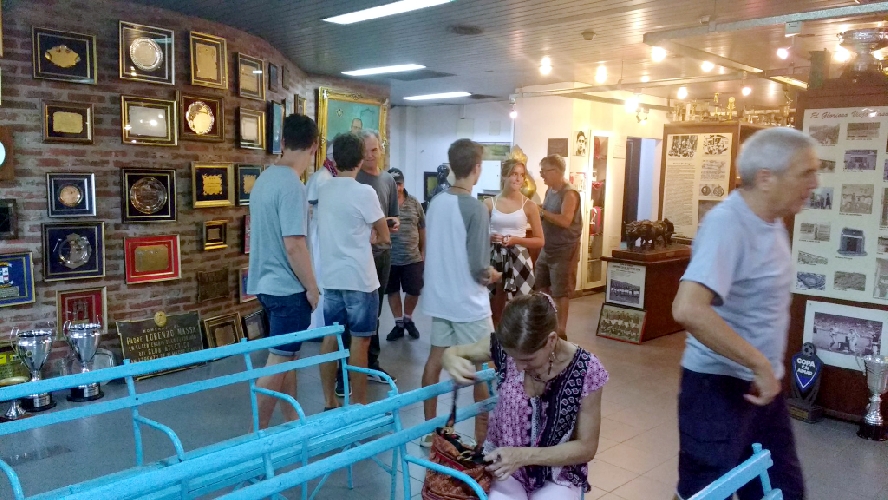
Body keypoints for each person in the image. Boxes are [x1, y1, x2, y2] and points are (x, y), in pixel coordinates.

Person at [671, 127, 818, 500]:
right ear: (766, 178)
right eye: (805, 173)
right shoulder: (727, 224)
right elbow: (688, 308)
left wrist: (764, 370)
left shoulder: (772, 221)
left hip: (761, 389)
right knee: (704, 493)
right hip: (717, 389)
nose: (814, 183)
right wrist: (758, 363)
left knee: (782, 490)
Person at [441, 293, 607, 500]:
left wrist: (523, 456)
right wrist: (450, 357)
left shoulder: (586, 370)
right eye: (513, 358)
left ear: (551, 340)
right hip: (503, 468)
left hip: (556, 473)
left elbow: (587, 447)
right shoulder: (505, 346)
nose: (519, 367)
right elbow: (455, 352)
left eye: (528, 359)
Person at [421, 138, 501, 447]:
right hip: (468, 302)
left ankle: (429, 431)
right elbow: (480, 267)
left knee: (435, 361)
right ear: (477, 168)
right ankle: (483, 442)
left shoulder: (436, 202)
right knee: (485, 366)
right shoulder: (476, 208)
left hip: (439, 298)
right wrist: (495, 274)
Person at [246, 114, 320, 429]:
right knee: (278, 360)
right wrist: (312, 287)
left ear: (283, 141)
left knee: (288, 355)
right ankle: (256, 435)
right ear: (314, 146)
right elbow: (294, 246)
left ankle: (292, 419)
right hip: (287, 289)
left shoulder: (265, 179)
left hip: (265, 285)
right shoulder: (292, 185)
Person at [317, 132, 390, 407]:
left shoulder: (324, 189)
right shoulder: (364, 192)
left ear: (334, 160)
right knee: (360, 342)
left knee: (331, 337)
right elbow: (384, 236)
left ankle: (329, 400)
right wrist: (371, 235)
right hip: (360, 278)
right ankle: (359, 405)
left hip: (332, 277)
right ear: (360, 159)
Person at [334, 129, 398, 396]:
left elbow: (391, 216)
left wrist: (390, 226)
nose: (371, 156)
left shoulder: (387, 180)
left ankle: (371, 363)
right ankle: (344, 374)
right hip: (358, 258)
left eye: (375, 150)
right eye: (367, 151)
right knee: (350, 321)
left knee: (374, 314)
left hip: (381, 256)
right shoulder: (354, 181)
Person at [484, 159, 544, 326]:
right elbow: (478, 234)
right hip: (495, 255)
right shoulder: (489, 203)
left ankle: (517, 337)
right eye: (514, 174)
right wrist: (490, 237)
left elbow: (540, 240)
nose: (518, 179)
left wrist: (515, 240)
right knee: (495, 304)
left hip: (519, 257)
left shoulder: (529, 205)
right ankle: (496, 336)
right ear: (504, 176)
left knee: (521, 305)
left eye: (521, 175)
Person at [535, 155, 582, 340]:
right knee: (541, 285)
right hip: (547, 248)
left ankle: (561, 331)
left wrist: (541, 212)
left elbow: (565, 220)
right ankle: (547, 323)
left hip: (564, 250)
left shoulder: (569, 193)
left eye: (544, 171)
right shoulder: (550, 191)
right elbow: (548, 212)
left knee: (561, 291)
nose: (542, 175)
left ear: (556, 171)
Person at [385, 168, 426, 341]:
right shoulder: (383, 203)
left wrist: (423, 252)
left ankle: (408, 319)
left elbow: (422, 228)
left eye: (399, 184)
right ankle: (399, 324)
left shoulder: (415, 203)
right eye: (394, 184)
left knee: (414, 291)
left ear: (403, 184)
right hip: (390, 258)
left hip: (412, 258)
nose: (397, 187)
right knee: (392, 291)